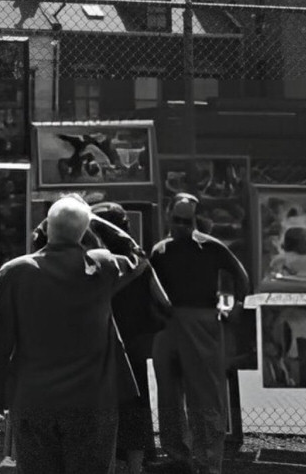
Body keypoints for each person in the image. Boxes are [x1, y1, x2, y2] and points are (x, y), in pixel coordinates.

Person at [0, 195, 147, 472]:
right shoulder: (102, 266)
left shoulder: (15, 273)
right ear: (84, 231)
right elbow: (138, 257)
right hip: (91, 403)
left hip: (34, 400)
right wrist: (95, 221)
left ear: (46, 228)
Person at [149, 193, 249, 474]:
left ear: (196, 221)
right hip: (168, 323)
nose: (179, 226)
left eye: (186, 221)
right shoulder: (160, 250)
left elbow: (240, 275)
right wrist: (156, 315)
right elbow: (150, 285)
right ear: (168, 218)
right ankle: (176, 454)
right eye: (176, 220)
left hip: (201, 321)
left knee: (204, 394)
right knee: (168, 393)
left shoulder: (212, 248)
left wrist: (238, 306)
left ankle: (208, 459)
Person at [92, 201, 171, 474]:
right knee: (136, 404)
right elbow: (164, 301)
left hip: (100, 343)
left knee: (101, 404)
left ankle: (108, 462)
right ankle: (137, 464)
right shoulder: (140, 260)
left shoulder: (95, 263)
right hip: (134, 344)